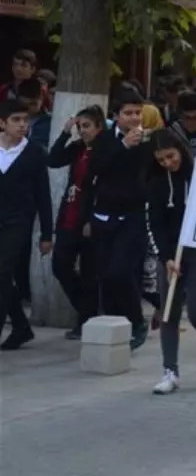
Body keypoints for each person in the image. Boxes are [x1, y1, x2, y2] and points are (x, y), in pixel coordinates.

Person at [146, 129, 196, 394]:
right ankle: (170, 371)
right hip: (170, 255)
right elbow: (154, 223)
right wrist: (165, 258)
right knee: (169, 313)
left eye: (170, 156)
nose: (168, 163)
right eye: (161, 160)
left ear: (180, 149)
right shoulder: (156, 182)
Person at [89, 92, 154, 349]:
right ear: (116, 116)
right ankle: (115, 323)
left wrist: (136, 147)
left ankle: (137, 320)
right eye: (128, 113)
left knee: (121, 269)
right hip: (105, 214)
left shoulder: (147, 141)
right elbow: (97, 168)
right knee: (105, 273)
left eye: (138, 113)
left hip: (134, 215)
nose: (134, 118)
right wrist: (123, 145)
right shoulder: (104, 140)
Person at [47, 106, 106, 339]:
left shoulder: (105, 150)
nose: (83, 131)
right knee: (60, 266)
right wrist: (65, 133)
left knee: (90, 273)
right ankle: (87, 310)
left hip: (90, 219)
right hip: (69, 215)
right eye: (80, 126)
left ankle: (87, 320)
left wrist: (93, 217)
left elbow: (104, 187)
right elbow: (53, 160)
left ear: (99, 127)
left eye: (87, 126)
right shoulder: (78, 148)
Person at [0, 99, 53, 351]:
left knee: (2, 273)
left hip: (18, 222)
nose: (22, 125)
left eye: (25, 120)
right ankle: (21, 327)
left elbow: (43, 194)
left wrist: (46, 232)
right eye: (16, 120)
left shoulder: (33, 153)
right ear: (2, 123)